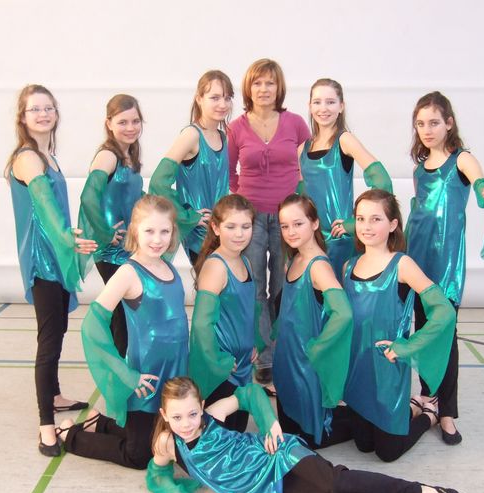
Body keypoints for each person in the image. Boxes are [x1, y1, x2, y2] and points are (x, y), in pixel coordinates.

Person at [146, 376, 465, 493]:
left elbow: (249, 394)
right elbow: (157, 474)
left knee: (336, 482)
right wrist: (171, 491)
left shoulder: (212, 416)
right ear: (164, 414)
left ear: (201, 406)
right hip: (268, 485)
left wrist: (270, 423)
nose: (186, 423)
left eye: (192, 413)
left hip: (275, 454)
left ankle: (420, 491)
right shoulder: (166, 443)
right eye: (177, 417)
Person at [405, 91, 484, 445]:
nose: (427, 130)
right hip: (415, 259)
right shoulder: (419, 169)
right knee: (421, 329)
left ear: (449, 123)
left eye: (434, 122)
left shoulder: (461, 160)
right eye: (421, 124)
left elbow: (480, 183)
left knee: (445, 336)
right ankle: (427, 395)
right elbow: (419, 215)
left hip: (445, 265)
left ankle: (447, 412)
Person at [58, 195, 188, 469]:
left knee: (163, 440)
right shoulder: (129, 273)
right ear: (134, 231)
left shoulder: (166, 264)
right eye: (149, 231)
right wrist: (128, 375)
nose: (157, 239)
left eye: (164, 231)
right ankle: (72, 436)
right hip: (146, 378)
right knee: (139, 456)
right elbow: (92, 324)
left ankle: (100, 422)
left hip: (173, 372)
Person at [5, 84, 97, 457]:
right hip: (42, 259)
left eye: (48, 108)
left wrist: (73, 238)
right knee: (49, 340)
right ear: (23, 117)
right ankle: (46, 426)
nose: (43, 114)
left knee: (58, 329)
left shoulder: (50, 156)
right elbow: (44, 204)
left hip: (57, 256)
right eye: (35, 109)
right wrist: (66, 237)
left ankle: (55, 395)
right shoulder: (28, 158)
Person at [342, 189, 456, 462]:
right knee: (363, 445)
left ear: (393, 224)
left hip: (387, 370)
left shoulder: (402, 264)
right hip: (357, 372)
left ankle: (428, 416)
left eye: (376, 219)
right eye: (361, 219)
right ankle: (412, 408)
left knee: (388, 453)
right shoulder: (348, 266)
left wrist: (407, 346)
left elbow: (444, 311)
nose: (366, 226)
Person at [228, 58, 311, 386]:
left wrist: (300, 207)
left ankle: (284, 352)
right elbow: (229, 173)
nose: (264, 89)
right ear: (249, 88)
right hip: (250, 220)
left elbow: (308, 169)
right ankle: (263, 357)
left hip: (287, 219)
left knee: (282, 287)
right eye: (257, 83)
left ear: (280, 88)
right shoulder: (236, 127)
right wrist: (243, 202)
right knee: (255, 289)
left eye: (270, 83)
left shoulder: (296, 124)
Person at [273, 194, 354, 448]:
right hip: (287, 363)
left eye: (298, 224)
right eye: (284, 226)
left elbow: (344, 313)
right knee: (289, 435)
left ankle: (361, 418)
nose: (290, 232)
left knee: (308, 441)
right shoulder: (294, 258)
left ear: (315, 223)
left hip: (305, 367)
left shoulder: (318, 266)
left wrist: (317, 348)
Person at [299, 78, 393, 279]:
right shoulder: (302, 149)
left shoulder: (344, 140)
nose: (323, 108)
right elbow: (299, 198)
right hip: (310, 241)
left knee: (338, 293)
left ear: (341, 106)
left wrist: (354, 223)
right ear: (310, 106)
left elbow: (383, 182)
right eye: (317, 102)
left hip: (338, 240)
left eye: (330, 102)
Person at [77, 94, 145, 357]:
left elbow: (129, 197)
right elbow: (88, 197)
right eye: (123, 122)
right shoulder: (108, 155)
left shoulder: (129, 154)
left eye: (135, 121)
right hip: (112, 252)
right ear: (109, 123)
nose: (130, 127)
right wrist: (106, 233)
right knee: (122, 315)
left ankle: (123, 366)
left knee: (127, 315)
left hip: (128, 248)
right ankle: (118, 372)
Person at [149, 70, 234, 265]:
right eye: (215, 97)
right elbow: (158, 182)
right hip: (201, 236)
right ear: (199, 99)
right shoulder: (191, 135)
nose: (223, 104)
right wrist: (189, 215)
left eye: (227, 98)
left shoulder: (222, 136)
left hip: (222, 231)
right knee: (210, 281)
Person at [188, 194, 257, 432]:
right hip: (223, 369)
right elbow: (201, 324)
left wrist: (253, 343)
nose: (239, 234)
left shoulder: (245, 262)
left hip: (243, 363)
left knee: (238, 430)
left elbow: (248, 310)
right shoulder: (216, 266)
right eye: (231, 227)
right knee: (219, 437)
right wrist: (218, 361)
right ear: (216, 228)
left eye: (246, 226)